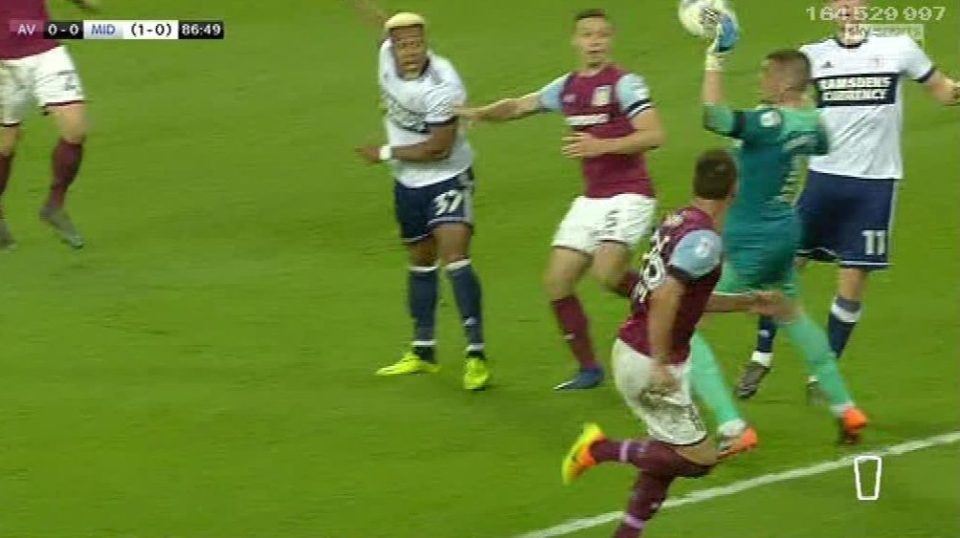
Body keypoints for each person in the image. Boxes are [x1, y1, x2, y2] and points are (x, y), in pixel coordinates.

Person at [561, 149, 786, 538]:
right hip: (650, 358)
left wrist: (749, 301)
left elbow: (686, 299)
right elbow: (667, 295)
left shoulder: (678, 221)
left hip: (637, 348)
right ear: (734, 188)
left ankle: (627, 533)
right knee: (700, 459)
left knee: (666, 457)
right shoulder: (704, 242)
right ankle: (599, 449)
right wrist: (661, 361)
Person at [744, 0, 960, 398]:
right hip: (822, 180)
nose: (847, 8)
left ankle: (822, 374)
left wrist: (954, 92)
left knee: (852, 281)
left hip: (874, 187)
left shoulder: (899, 48)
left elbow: (943, 90)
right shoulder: (813, 56)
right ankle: (761, 356)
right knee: (783, 266)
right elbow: (781, 95)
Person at [458, 9, 666, 390]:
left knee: (607, 274)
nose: (595, 41)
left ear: (611, 38)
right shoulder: (567, 88)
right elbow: (520, 105)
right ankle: (589, 369)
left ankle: (664, 302)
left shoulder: (626, 84)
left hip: (630, 193)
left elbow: (653, 134)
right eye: (587, 35)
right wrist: (480, 114)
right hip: (592, 199)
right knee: (557, 282)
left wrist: (600, 145)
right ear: (575, 40)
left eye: (602, 34)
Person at [696, 40, 868, 443]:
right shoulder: (809, 123)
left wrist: (714, 59)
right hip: (786, 230)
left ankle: (730, 424)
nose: (760, 79)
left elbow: (714, 116)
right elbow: (823, 142)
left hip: (750, 238)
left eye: (765, 73)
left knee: (684, 325)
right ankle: (846, 408)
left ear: (781, 82)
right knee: (791, 315)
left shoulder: (771, 122)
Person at [352, 5, 490, 391]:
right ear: (393, 48)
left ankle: (475, 355)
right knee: (420, 260)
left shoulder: (442, 86)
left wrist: (384, 153)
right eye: (403, 45)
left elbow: (439, 149)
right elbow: (378, 23)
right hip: (407, 183)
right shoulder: (386, 54)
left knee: (455, 257)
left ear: (426, 43)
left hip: (448, 176)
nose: (411, 51)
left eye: (417, 43)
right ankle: (423, 351)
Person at [0, 0, 98, 249]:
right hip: (4, 63)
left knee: (76, 129)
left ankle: (55, 205)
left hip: (46, 51)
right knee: (5, 144)